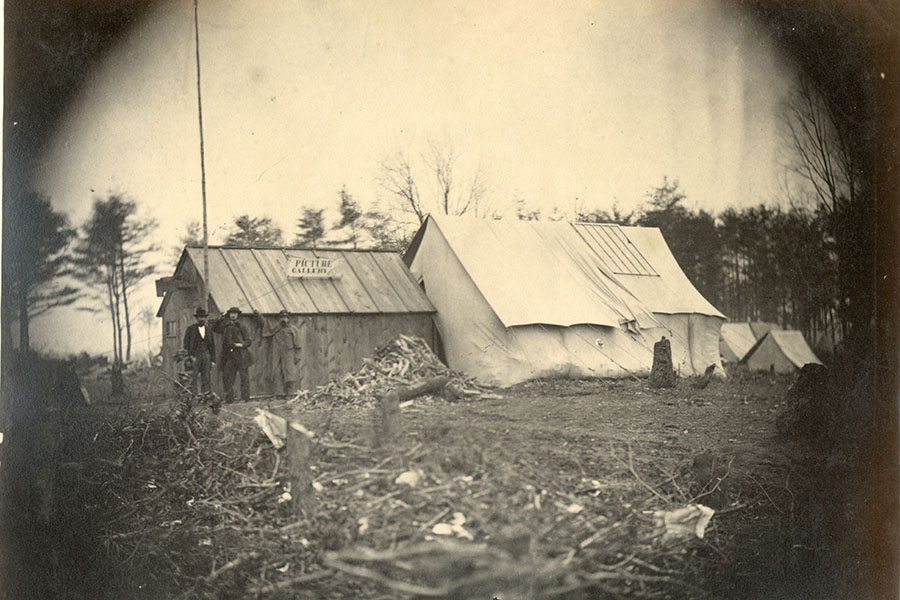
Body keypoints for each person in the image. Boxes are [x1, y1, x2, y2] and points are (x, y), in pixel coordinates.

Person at [212, 306, 253, 403]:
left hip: (240, 355)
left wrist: (241, 345)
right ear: (228, 315)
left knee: (244, 377)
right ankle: (229, 399)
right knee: (227, 377)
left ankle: (245, 398)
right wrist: (219, 319)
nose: (233, 315)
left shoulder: (241, 327)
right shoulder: (225, 327)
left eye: (235, 313)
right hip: (228, 356)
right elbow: (214, 328)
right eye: (231, 313)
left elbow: (249, 341)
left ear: (238, 315)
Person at [258, 309, 302, 398]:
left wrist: (297, 356)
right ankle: (279, 394)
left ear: (288, 319)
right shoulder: (275, 328)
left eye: (285, 317)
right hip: (277, 354)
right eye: (282, 317)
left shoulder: (293, 330)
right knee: (276, 372)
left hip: (289, 354)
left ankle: (290, 393)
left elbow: (298, 345)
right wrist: (258, 316)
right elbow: (266, 324)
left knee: (289, 374)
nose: (284, 319)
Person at [183, 307, 215, 395]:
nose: (202, 319)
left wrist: (213, 360)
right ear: (197, 318)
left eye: (203, 317)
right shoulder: (190, 329)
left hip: (206, 355)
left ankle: (205, 397)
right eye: (200, 317)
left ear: (205, 318)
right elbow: (186, 345)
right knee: (193, 377)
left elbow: (212, 346)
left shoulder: (209, 330)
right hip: (195, 356)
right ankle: (194, 397)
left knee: (206, 377)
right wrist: (188, 357)